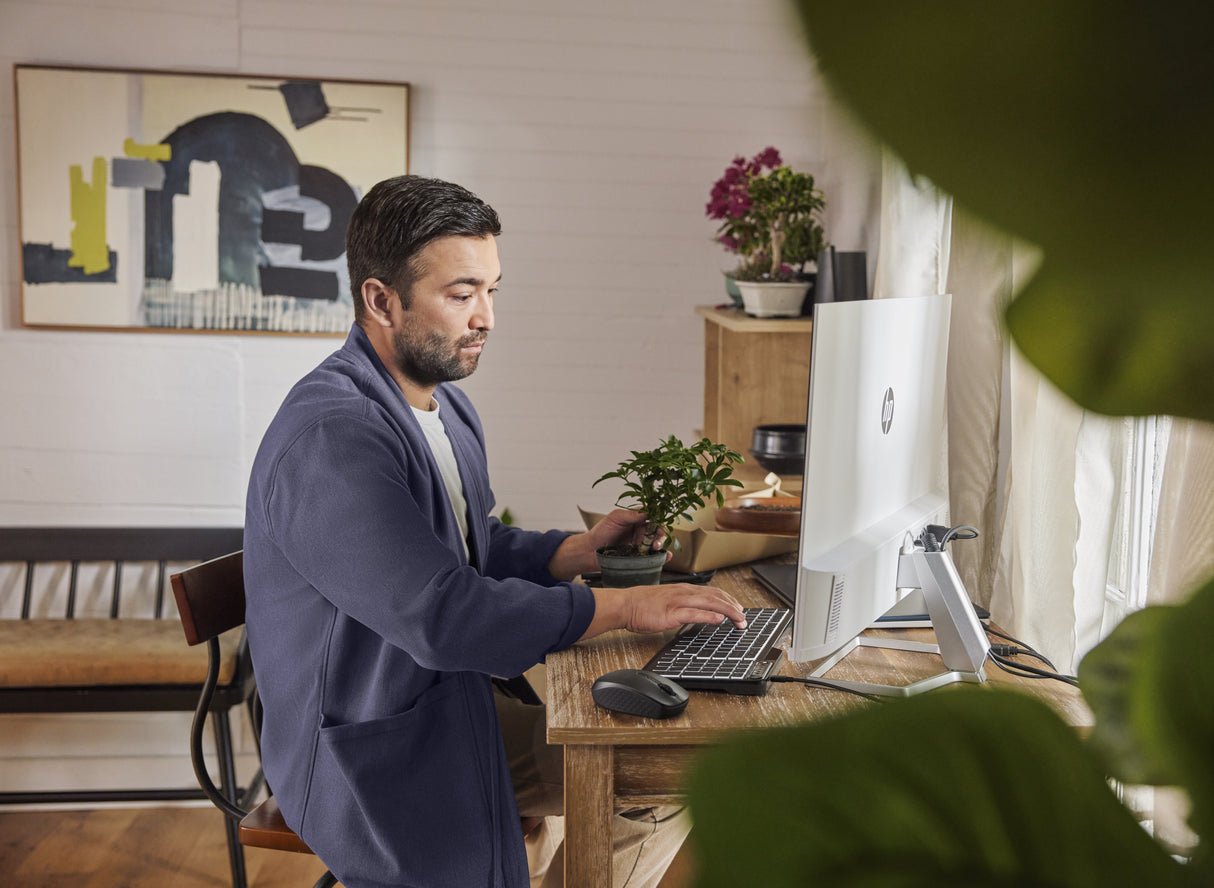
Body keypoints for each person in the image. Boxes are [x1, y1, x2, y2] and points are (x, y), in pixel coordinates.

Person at [243, 174, 747, 888]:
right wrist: (625, 606)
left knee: (655, 772)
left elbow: (467, 545)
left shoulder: (442, 408)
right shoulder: (335, 438)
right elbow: (443, 614)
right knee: (647, 772)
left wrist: (574, 551)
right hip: (368, 746)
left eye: (491, 290)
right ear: (381, 300)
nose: (486, 317)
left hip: (447, 705)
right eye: (461, 294)